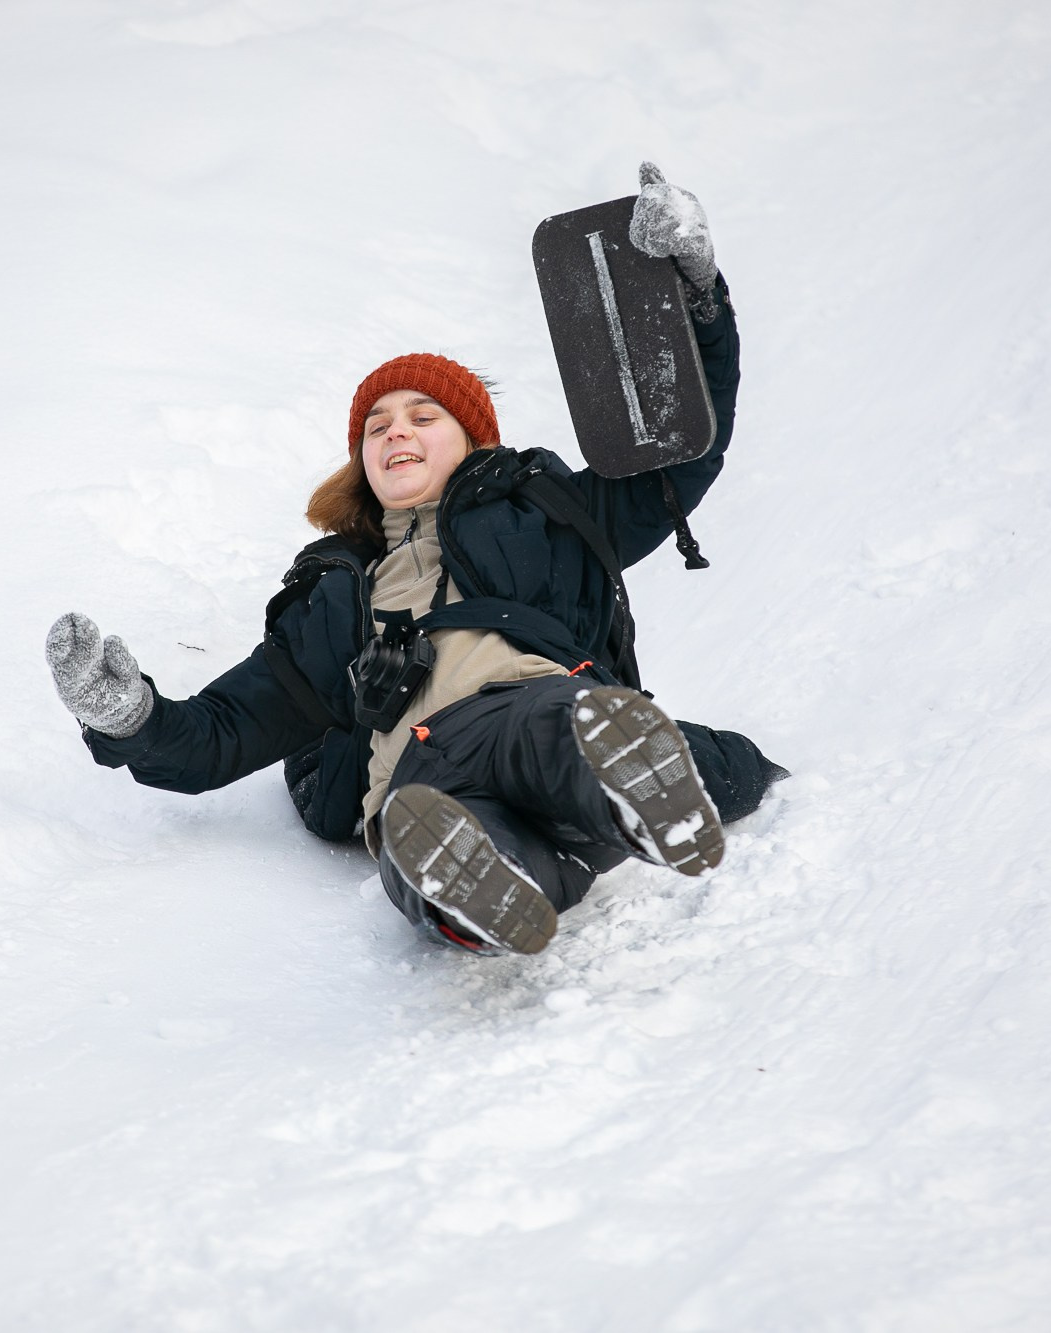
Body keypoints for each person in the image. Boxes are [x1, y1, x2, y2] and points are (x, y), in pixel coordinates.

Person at [46, 166, 787, 955]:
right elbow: (221, 733)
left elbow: (678, 452)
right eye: (376, 427)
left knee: (551, 736)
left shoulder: (549, 511)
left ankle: (624, 779)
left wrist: (696, 296)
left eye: (422, 416)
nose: (395, 432)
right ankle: (495, 884)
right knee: (430, 838)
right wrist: (130, 720)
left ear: (474, 439)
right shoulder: (337, 596)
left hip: (535, 711)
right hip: (418, 772)